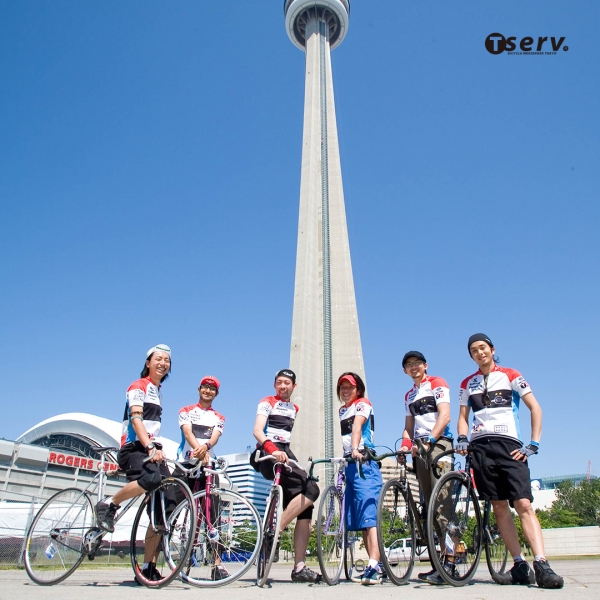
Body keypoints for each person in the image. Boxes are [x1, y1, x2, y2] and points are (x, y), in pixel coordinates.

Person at [457, 333, 564, 589]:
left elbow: (535, 407)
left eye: (483, 347)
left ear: (492, 349)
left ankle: (542, 564)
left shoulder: (511, 375)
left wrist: (533, 444)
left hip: (510, 446)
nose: (479, 352)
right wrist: (462, 438)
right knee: (499, 506)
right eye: (474, 350)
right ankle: (519, 565)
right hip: (480, 448)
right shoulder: (467, 383)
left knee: (523, 503)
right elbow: (462, 417)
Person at [95, 344, 172, 583]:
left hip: (151, 447)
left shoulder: (158, 391)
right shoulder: (138, 386)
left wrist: (156, 448)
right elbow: (136, 419)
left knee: (166, 505)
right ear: (148, 363)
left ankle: (148, 567)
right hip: (133, 448)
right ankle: (109, 503)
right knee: (152, 478)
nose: (163, 363)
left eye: (167, 360)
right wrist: (149, 446)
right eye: (158, 359)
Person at [250, 369, 321, 583]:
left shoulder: (294, 408)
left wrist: (284, 454)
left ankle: (299, 567)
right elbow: (258, 431)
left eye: (287, 383)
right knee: (311, 489)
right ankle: (274, 532)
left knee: (307, 500)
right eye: (279, 382)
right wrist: (272, 450)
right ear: (275, 385)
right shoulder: (267, 402)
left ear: (294, 386)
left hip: (285, 452)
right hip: (266, 452)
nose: (283, 386)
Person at [399, 351, 453, 585]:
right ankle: (438, 564)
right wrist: (404, 446)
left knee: (442, 503)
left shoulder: (437, 383)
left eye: (417, 363)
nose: (414, 367)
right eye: (409, 365)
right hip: (419, 448)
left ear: (425, 365)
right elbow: (408, 427)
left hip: (439, 444)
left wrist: (431, 439)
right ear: (405, 371)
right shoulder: (409, 395)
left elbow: (445, 416)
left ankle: (451, 560)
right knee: (429, 507)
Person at [176, 375, 227, 581]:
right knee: (173, 509)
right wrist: (198, 449)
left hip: (208, 466)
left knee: (213, 516)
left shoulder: (219, 417)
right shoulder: (185, 410)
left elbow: (215, 437)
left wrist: (205, 448)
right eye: (205, 387)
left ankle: (217, 564)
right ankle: (168, 560)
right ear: (199, 389)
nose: (208, 391)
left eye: (212, 389)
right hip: (186, 464)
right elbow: (187, 432)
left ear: (216, 393)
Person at [337, 372, 384, 585]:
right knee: (360, 520)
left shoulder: (363, 404)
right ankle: (375, 563)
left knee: (369, 514)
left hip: (364, 461)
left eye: (350, 387)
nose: (346, 390)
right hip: (350, 464)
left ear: (358, 390)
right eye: (342, 387)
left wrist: (355, 449)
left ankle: (375, 564)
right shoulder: (342, 410)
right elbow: (346, 437)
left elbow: (357, 427)